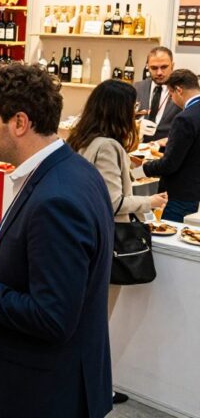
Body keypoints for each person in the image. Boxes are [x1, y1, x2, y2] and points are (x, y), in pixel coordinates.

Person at [0, 63, 113, 418]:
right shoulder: (71, 171)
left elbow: (52, 317)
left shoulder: (57, 199)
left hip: (44, 394)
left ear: (20, 122)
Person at [67, 79, 167, 405]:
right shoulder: (109, 146)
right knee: (97, 321)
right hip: (107, 243)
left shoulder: (83, 139)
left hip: (83, 239)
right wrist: (149, 203)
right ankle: (93, 390)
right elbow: (112, 202)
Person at [134, 69, 200, 222]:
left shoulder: (184, 118)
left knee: (168, 239)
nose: (172, 99)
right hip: (194, 190)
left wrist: (138, 171)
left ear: (178, 90)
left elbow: (170, 164)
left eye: (170, 95)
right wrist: (162, 148)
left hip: (179, 193)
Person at [134, 47, 181, 144]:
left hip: (168, 152)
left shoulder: (182, 91)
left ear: (172, 65)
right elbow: (120, 120)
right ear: (147, 67)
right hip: (138, 152)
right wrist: (136, 125)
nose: (159, 72)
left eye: (164, 67)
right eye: (154, 68)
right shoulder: (136, 88)